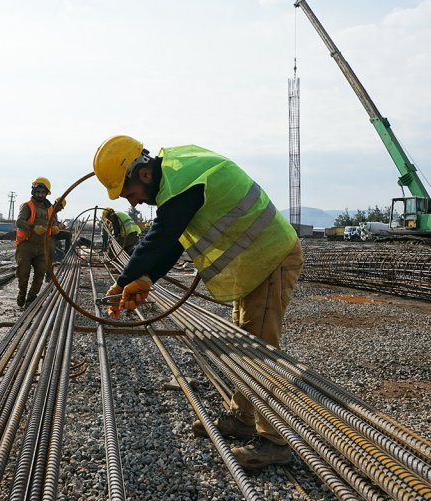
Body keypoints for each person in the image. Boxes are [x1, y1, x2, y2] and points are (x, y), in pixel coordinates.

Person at [92, 135, 302, 470]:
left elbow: (161, 235)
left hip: (271, 255)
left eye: (130, 194)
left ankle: (274, 441)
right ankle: (243, 418)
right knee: (247, 342)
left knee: (261, 348)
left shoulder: (182, 180)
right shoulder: (177, 177)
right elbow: (174, 238)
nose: (134, 203)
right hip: (256, 261)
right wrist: (145, 278)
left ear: (143, 175)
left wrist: (121, 281)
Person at [14, 177, 65, 308]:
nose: (40, 195)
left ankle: (31, 299)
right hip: (26, 245)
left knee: (40, 274)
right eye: (38, 192)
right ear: (33, 192)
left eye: (43, 192)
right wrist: (33, 227)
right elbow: (19, 222)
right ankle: (22, 293)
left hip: (42, 248)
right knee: (23, 273)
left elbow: (53, 224)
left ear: (47, 193)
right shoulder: (27, 206)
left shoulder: (50, 210)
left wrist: (55, 228)